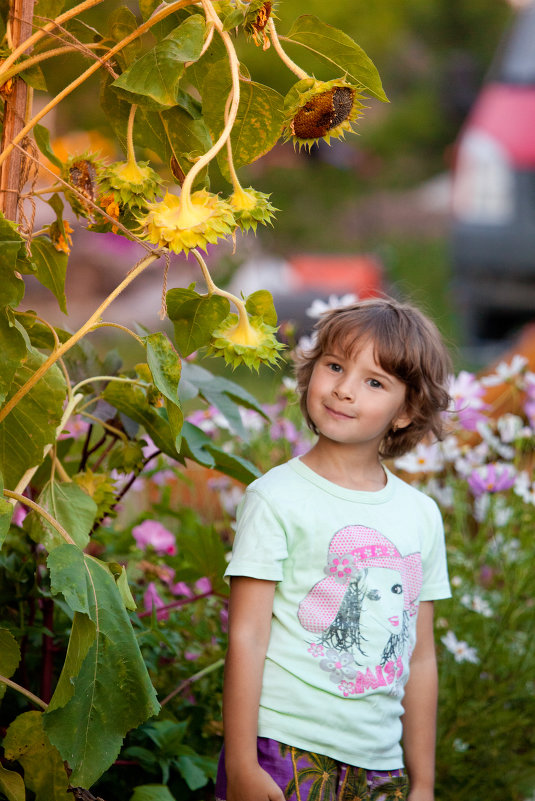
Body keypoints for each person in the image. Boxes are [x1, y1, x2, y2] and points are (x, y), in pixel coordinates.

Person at [216, 297, 452, 801]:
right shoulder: (275, 497)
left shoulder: (419, 515)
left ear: (406, 411)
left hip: (380, 766)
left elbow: (422, 657)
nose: (344, 390)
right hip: (283, 752)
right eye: (335, 366)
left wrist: (424, 783)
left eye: (374, 382)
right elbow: (247, 637)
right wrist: (241, 766)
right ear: (312, 371)